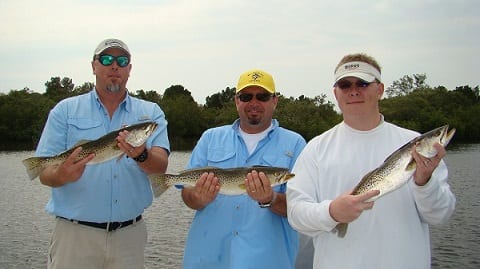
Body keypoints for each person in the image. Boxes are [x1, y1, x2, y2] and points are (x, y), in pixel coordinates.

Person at [286, 53, 456, 268]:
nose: (354, 90)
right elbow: (296, 214)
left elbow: (441, 215)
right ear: (335, 93)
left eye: (363, 83)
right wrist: (331, 212)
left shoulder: (415, 145)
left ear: (380, 89)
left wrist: (424, 183)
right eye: (345, 85)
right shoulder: (316, 149)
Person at [35, 38, 170, 269]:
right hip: (74, 235)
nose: (114, 66)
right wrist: (62, 175)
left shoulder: (150, 112)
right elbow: (43, 172)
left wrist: (141, 155)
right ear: (94, 66)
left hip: (130, 235)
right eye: (106, 59)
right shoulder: (65, 110)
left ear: (129, 69)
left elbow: (161, 167)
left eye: (122, 60)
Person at [180, 69, 307, 269]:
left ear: (275, 101)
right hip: (207, 259)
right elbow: (187, 195)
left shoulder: (296, 144)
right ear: (236, 101)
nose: (254, 103)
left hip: (267, 261)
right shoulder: (210, 138)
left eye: (262, 96)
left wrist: (270, 199)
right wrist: (197, 198)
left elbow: (303, 209)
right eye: (246, 96)